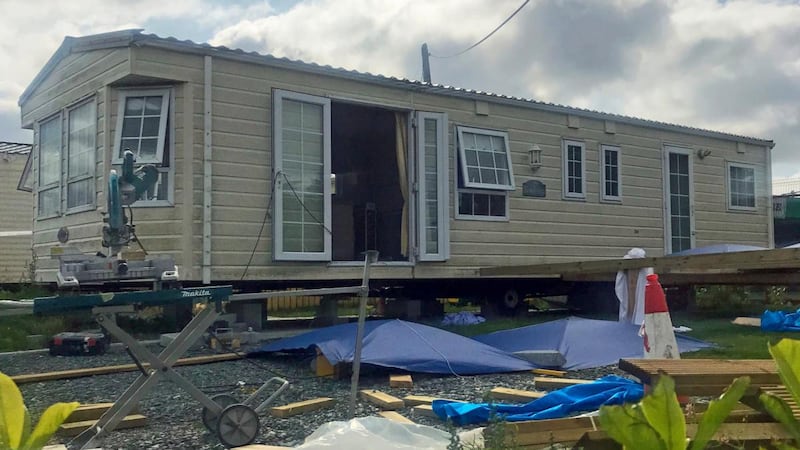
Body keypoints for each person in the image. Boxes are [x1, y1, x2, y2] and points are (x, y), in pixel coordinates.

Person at [614, 248, 653, 326]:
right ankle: (630, 318)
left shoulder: (646, 267)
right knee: (629, 300)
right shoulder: (627, 261)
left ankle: (638, 319)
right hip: (629, 287)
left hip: (638, 285)